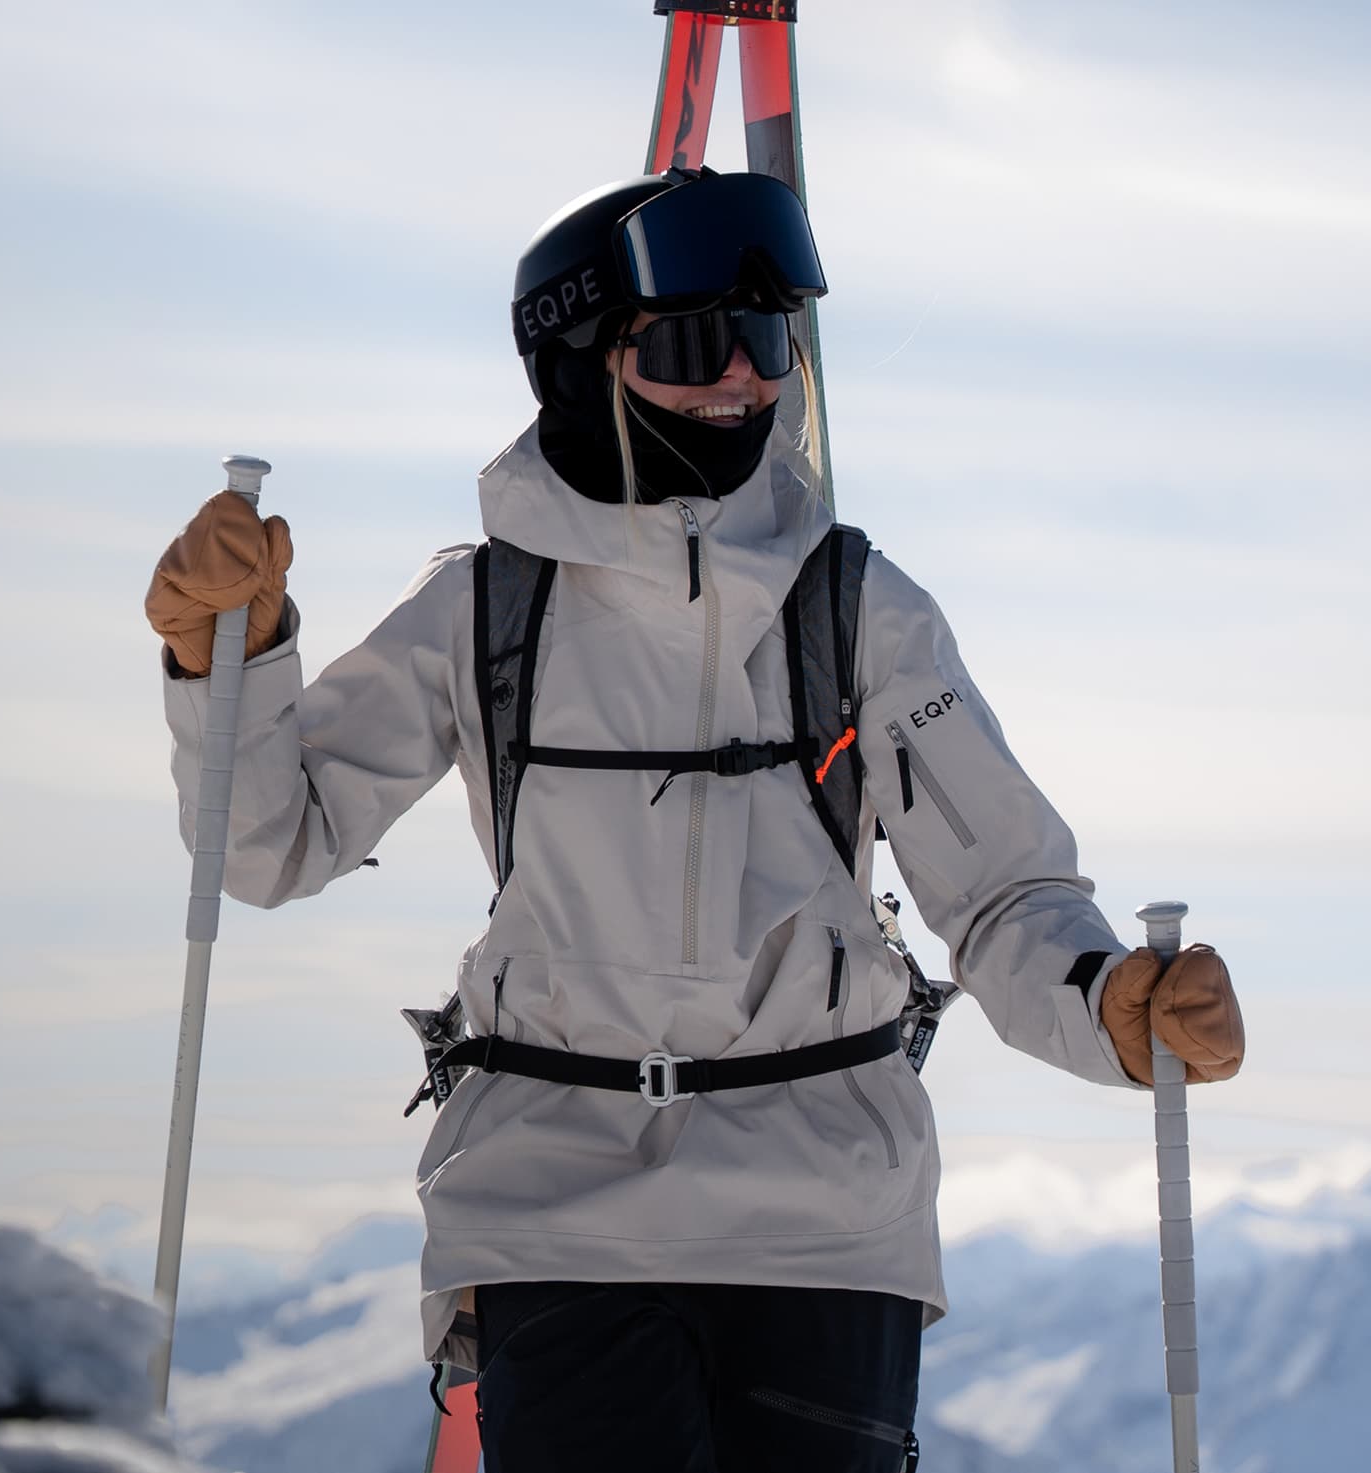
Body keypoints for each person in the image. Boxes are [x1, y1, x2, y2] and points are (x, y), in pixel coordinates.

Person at [141, 169, 1248, 1473]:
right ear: (579, 366)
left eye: (767, 338)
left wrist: (1105, 1001)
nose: (740, 376)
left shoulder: (857, 606)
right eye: (685, 342)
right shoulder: (485, 606)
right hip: (556, 1198)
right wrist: (233, 660)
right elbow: (270, 840)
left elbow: (1002, 890)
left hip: (823, 1206)